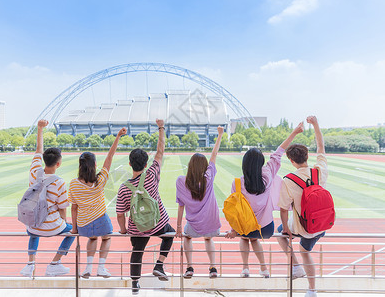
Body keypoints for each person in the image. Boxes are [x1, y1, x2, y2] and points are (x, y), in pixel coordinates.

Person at [225, 122, 304, 278]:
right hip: (266, 228)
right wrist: (295, 132)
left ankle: (246, 268)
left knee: (245, 237)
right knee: (253, 238)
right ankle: (263, 268)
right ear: (261, 163)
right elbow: (279, 152)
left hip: (245, 228)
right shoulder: (267, 176)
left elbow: (235, 211)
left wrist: (234, 230)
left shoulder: (237, 183)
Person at [116, 119, 174, 295]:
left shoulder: (124, 187)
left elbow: (120, 213)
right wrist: (161, 127)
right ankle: (159, 264)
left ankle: (135, 284)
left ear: (129, 163)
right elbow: (160, 150)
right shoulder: (152, 174)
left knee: (137, 251)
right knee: (170, 235)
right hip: (158, 222)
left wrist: (124, 229)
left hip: (138, 227)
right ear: (146, 162)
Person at [277, 116, 327, 297]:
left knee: (281, 234)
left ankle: (296, 266)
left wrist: (287, 231)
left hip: (303, 227)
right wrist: (315, 124)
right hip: (322, 225)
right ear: (307, 156)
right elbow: (321, 147)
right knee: (306, 250)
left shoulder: (289, 180)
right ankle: (312, 290)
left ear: (291, 160)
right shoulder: (319, 171)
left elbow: (283, 209)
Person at [68, 127, 126, 278]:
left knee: (92, 239)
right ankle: (101, 268)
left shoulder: (73, 184)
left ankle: (88, 268)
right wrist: (118, 136)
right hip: (101, 220)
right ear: (94, 165)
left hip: (83, 223)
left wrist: (74, 228)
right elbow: (109, 158)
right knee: (106, 239)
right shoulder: (100, 180)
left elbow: (74, 208)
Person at [20, 119, 75, 277]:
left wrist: (40, 128)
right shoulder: (59, 182)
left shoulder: (34, 171)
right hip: (52, 227)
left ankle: (30, 264)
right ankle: (55, 263)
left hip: (34, 225)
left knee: (32, 229)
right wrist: (64, 223)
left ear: (43, 160)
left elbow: (38, 149)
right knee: (72, 232)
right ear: (58, 164)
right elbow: (63, 208)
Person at [175, 126, 224, 279]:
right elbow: (214, 155)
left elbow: (181, 205)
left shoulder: (181, 181)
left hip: (193, 224)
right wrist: (220, 135)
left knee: (187, 237)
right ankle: (213, 267)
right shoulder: (208, 178)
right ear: (204, 167)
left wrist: (178, 227)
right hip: (211, 224)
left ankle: (189, 267)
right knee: (208, 239)